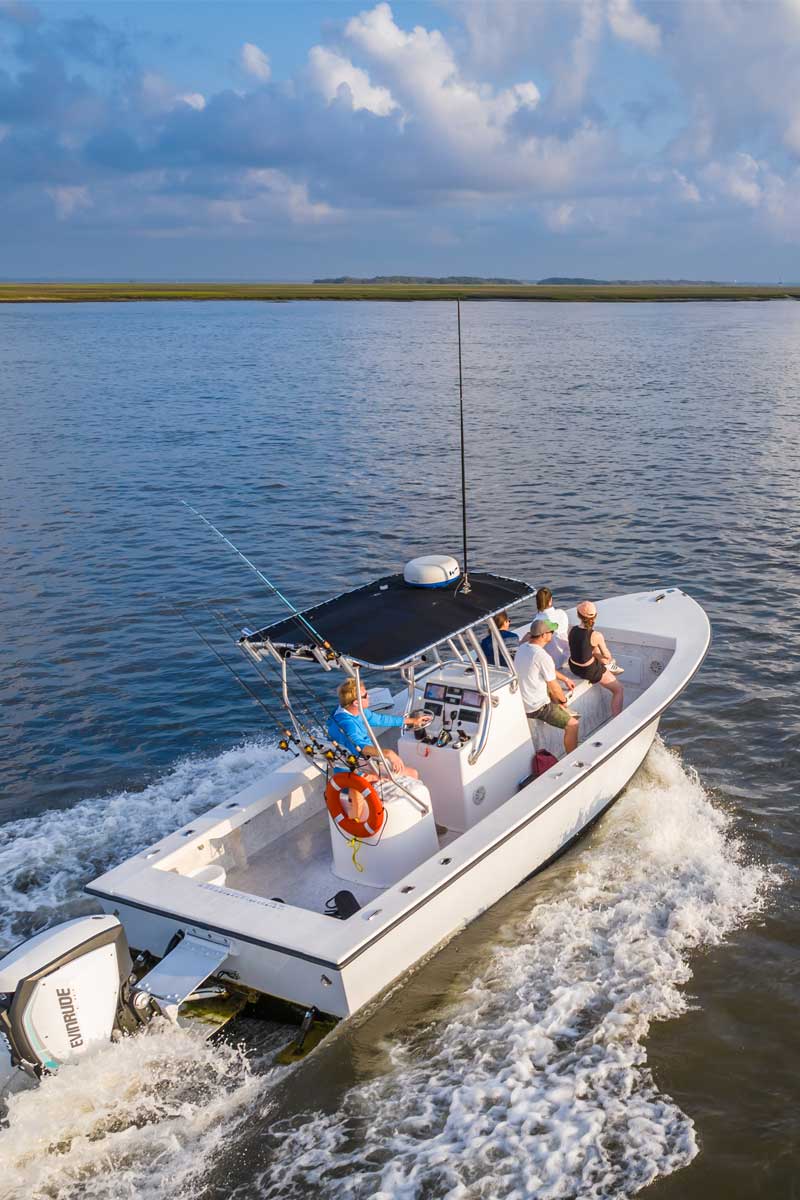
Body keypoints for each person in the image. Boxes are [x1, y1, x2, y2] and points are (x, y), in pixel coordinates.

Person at [327, 680, 426, 818]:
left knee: (402, 771)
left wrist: (410, 721)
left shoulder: (352, 711)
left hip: (360, 764)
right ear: (356, 703)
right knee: (412, 774)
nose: (369, 697)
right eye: (366, 695)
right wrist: (389, 753)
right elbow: (360, 748)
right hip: (356, 772)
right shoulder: (347, 724)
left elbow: (379, 719)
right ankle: (416, 816)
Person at [515, 618, 579, 754]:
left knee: (549, 688)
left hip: (523, 700)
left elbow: (547, 671)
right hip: (537, 707)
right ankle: (572, 758)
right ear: (544, 635)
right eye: (551, 631)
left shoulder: (522, 648)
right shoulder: (542, 656)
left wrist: (565, 678)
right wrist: (563, 701)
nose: (553, 633)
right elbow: (555, 687)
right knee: (573, 725)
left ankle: (560, 708)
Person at [567, 601, 624, 717]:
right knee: (619, 689)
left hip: (574, 666)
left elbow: (581, 649)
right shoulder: (596, 635)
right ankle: (617, 720)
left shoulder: (572, 630)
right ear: (595, 616)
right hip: (589, 671)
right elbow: (607, 655)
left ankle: (607, 666)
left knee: (595, 650)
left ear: (579, 615)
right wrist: (608, 659)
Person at [534, 586, 569, 670]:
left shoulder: (536, 621)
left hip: (550, 663)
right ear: (550, 601)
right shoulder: (561, 613)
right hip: (567, 657)